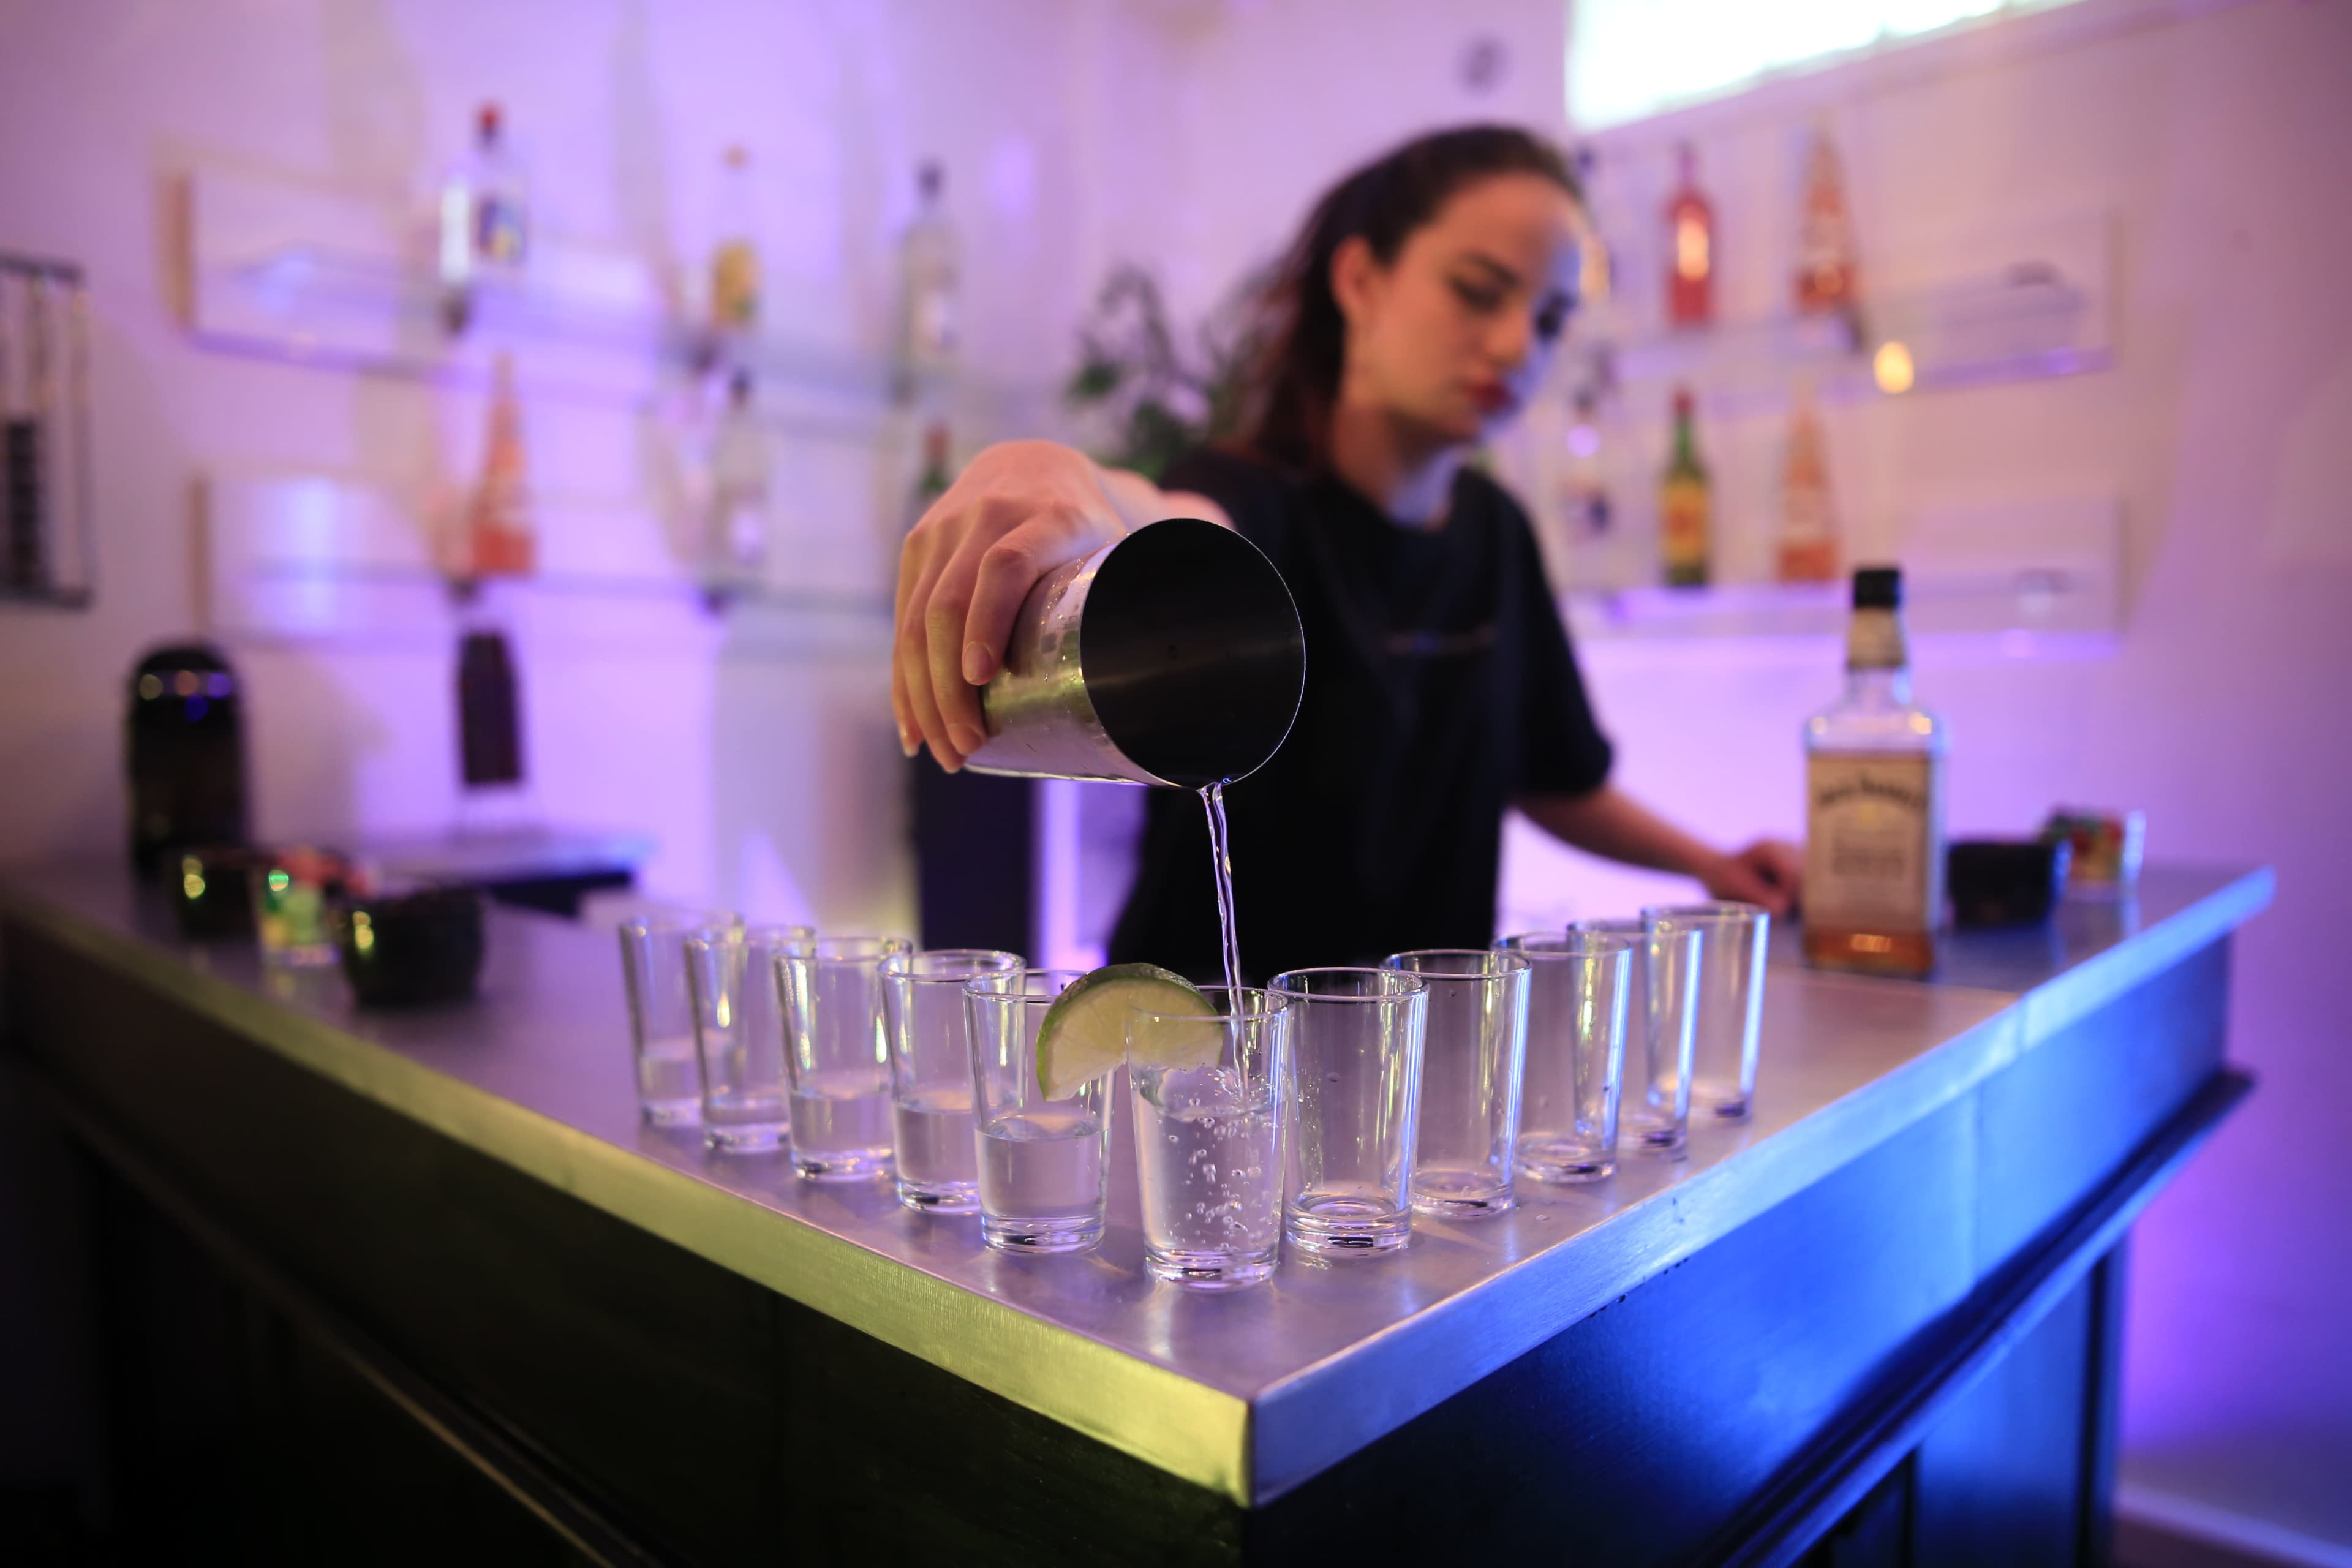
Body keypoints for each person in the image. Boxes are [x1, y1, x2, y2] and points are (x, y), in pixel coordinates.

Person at [892, 124, 1798, 981]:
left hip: (1420, 1074)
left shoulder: (1498, 533)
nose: (1518, 345)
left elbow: (1552, 776)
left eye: (1552, 320)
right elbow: (1168, 513)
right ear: (1361, 281)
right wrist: (1061, 475)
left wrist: (1712, 865)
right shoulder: (1261, 498)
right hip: (1204, 1046)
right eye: (1479, 292)